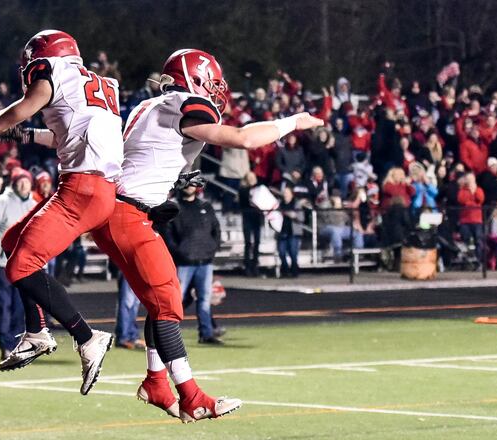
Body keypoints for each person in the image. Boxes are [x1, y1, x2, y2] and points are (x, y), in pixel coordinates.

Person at [85, 48, 323, 422]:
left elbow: (147, 155)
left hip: (124, 211)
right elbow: (243, 139)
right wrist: (293, 121)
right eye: (210, 82)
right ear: (192, 80)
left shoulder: (152, 105)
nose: (216, 90)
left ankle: (156, 380)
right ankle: (191, 395)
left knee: (157, 302)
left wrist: (175, 177)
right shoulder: (183, 105)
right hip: (125, 213)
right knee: (168, 301)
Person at [0, 30, 123, 394]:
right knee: (11, 241)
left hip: (83, 187)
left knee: (20, 266)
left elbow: (12, 114)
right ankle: (36, 333)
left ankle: (87, 336)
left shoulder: (54, 73)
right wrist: (27, 136)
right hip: (96, 187)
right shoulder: (100, 84)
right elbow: (68, 133)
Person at [0, 168, 37, 359]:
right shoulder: (0, 203)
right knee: (3, 306)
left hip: (25, 267)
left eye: (26, 181)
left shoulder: (35, 205)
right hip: (3, 265)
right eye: (20, 181)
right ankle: (5, 345)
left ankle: (16, 345)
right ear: (13, 183)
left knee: (21, 308)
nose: (24, 185)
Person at [164, 184, 222, 344]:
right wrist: (180, 252)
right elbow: (168, 235)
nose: (190, 186)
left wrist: (212, 248)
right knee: (176, 300)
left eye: (193, 183)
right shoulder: (174, 207)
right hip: (184, 263)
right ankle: (167, 335)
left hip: (205, 261)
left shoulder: (205, 206)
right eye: (187, 183)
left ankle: (206, 334)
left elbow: (216, 229)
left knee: (204, 299)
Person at [238, 172, 263, 277]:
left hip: (256, 218)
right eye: (250, 178)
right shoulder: (243, 190)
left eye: (253, 177)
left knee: (257, 241)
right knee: (248, 242)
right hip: (247, 217)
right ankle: (247, 266)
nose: (252, 179)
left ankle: (255, 264)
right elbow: (246, 199)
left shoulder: (259, 189)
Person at [277, 187, 304, 277]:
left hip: (293, 232)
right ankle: (285, 269)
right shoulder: (280, 204)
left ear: (291, 194)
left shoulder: (296, 204)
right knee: (281, 252)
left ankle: (294, 271)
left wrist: (294, 216)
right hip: (282, 232)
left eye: (287, 193)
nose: (285, 195)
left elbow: (301, 218)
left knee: (293, 252)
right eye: (284, 193)